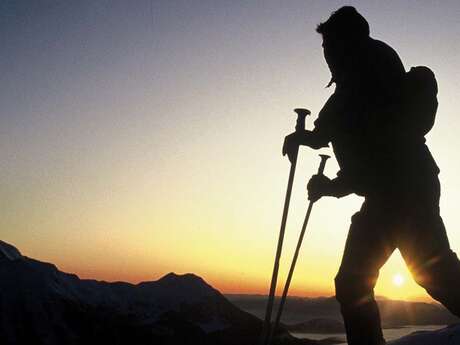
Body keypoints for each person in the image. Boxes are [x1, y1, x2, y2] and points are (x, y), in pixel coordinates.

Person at [283, 6, 460, 345]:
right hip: (392, 196)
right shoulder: (355, 84)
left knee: (433, 276)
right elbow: (332, 137)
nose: (326, 54)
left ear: (348, 44)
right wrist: (305, 144)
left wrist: (329, 183)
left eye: (330, 46)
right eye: (325, 48)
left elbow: (374, 156)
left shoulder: (369, 80)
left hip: (406, 195)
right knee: (357, 282)